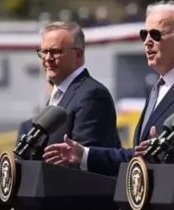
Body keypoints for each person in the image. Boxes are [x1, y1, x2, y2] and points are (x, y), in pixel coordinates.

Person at [43, 1, 174, 176]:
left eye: (156, 35)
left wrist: (165, 152)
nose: (147, 42)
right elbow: (138, 156)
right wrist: (85, 155)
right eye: (144, 35)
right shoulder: (157, 88)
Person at [19, 21, 121, 155]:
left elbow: (85, 161)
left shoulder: (92, 94)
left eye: (56, 51)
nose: (48, 58)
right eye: (44, 51)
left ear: (78, 54)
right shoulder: (58, 94)